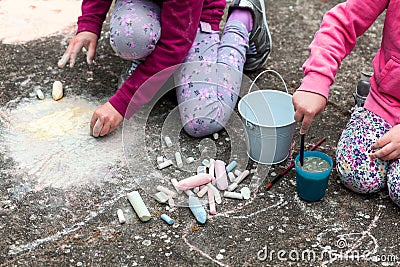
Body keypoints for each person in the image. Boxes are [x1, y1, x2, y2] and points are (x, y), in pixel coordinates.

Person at [58, 0, 272, 138]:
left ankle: (243, 19)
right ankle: (153, 66)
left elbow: (174, 47)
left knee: (203, 122)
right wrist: (89, 24)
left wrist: (122, 103)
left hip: (194, 19)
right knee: (131, 37)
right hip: (147, 5)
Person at [292, 0, 400, 207]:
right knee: (357, 175)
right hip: (386, 100)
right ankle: (364, 104)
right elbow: (342, 22)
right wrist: (316, 81)